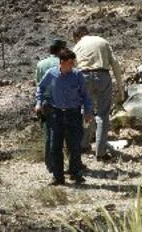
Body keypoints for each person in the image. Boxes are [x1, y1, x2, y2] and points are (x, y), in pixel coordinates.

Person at [36, 48, 93, 185]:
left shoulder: (77, 75)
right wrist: (38, 103)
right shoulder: (51, 74)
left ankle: (75, 173)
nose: (72, 65)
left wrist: (87, 111)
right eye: (70, 62)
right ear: (62, 62)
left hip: (74, 114)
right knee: (55, 146)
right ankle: (58, 177)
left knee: (74, 145)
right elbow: (40, 87)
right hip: (56, 114)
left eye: (73, 62)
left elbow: (85, 95)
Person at [72, 25, 125, 161]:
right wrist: (120, 87)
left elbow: (72, 67)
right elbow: (115, 64)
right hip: (102, 76)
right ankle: (100, 153)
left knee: (85, 111)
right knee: (102, 114)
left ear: (78, 37)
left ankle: (83, 145)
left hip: (83, 77)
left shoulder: (77, 46)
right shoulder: (102, 41)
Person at [35, 38, 67, 173]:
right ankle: (66, 165)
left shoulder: (41, 64)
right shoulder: (64, 63)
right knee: (65, 134)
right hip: (62, 102)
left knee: (48, 134)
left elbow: (38, 84)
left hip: (46, 102)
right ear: (61, 50)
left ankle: (50, 164)